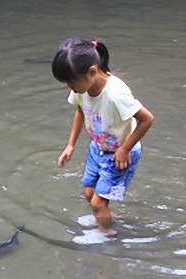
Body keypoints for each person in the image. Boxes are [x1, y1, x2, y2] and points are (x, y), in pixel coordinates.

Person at [52, 37, 154, 244]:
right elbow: (81, 111)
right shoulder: (82, 90)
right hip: (98, 148)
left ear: (92, 72)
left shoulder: (116, 94)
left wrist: (125, 149)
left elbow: (146, 119)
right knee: (89, 193)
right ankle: (106, 217)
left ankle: (105, 233)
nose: (69, 87)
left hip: (120, 154)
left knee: (98, 202)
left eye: (71, 81)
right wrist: (71, 144)